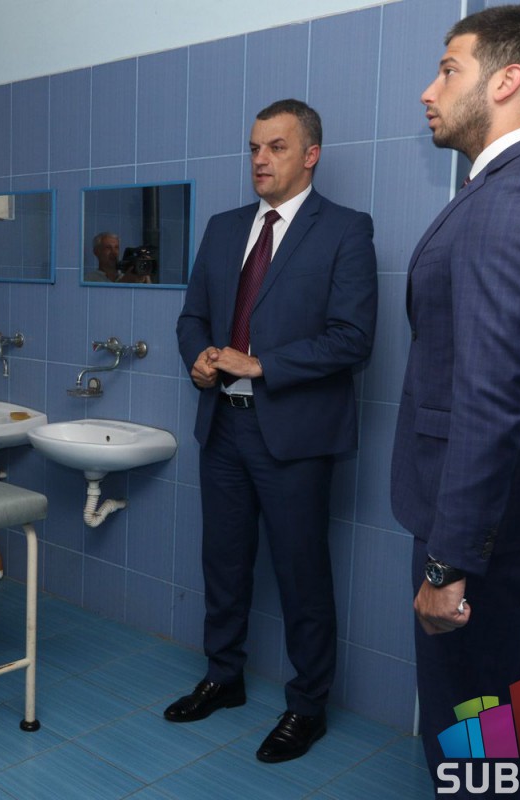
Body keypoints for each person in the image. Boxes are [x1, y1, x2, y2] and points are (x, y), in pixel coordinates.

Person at [389, 6, 520, 794]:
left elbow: (491, 395)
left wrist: (449, 562)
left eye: (449, 68)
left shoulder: (517, 195)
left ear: (508, 79)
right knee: (511, 740)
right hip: (514, 522)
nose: (429, 90)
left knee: (473, 743)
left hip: (483, 535)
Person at [172, 98, 377, 764]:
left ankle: (306, 707)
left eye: (277, 147)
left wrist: (262, 364)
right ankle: (223, 676)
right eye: (254, 148)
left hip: (293, 436)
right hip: (223, 429)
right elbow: (192, 318)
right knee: (224, 564)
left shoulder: (344, 230)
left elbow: (353, 338)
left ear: (311, 155)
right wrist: (199, 358)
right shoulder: (224, 227)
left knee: (301, 574)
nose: (260, 160)